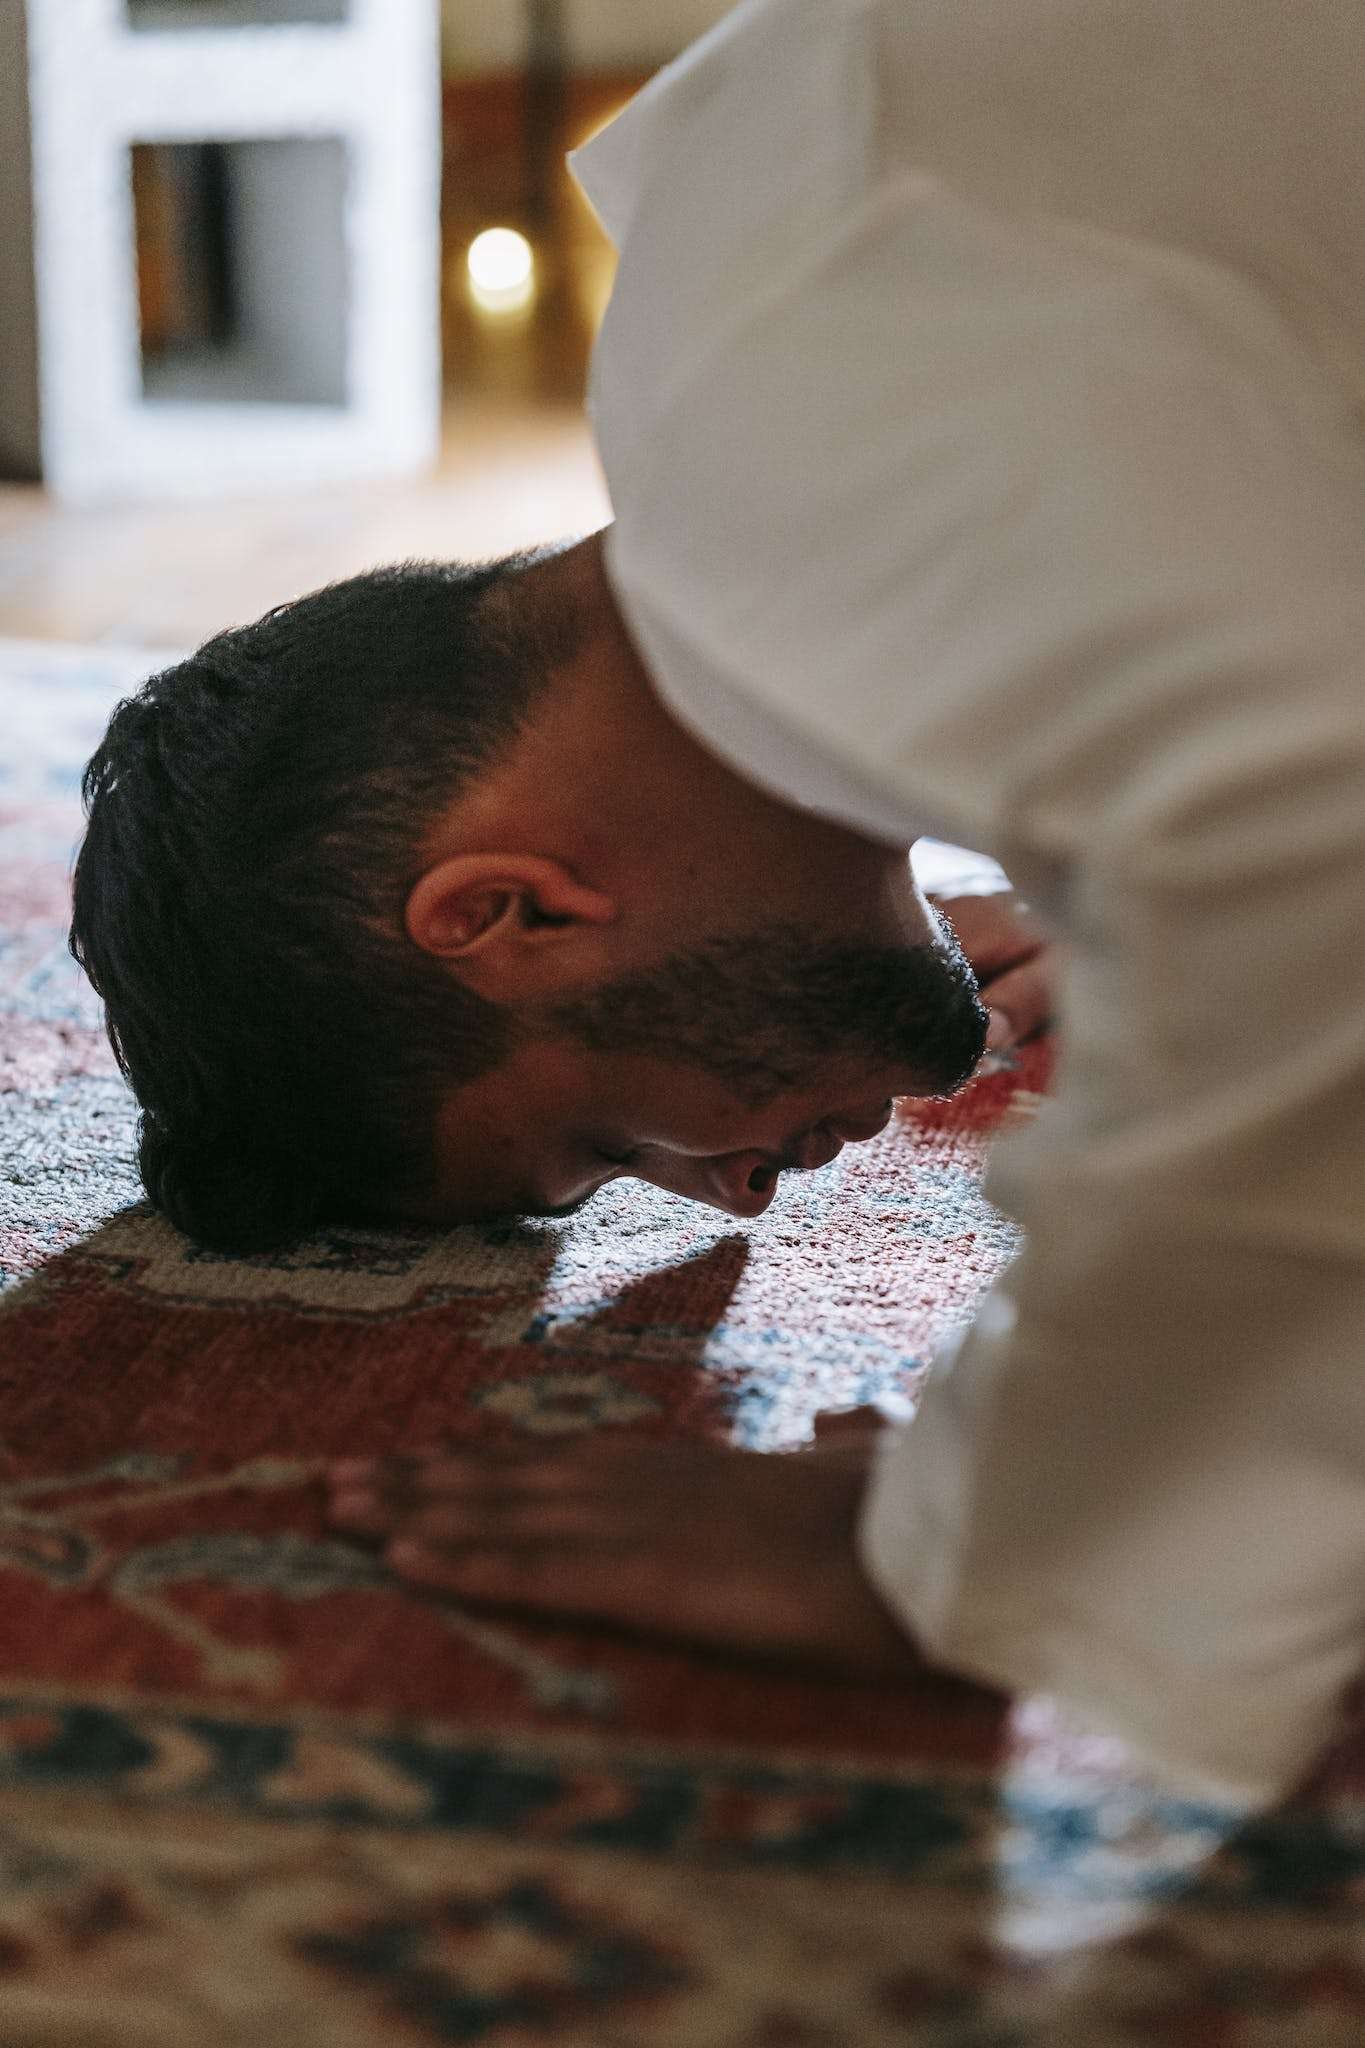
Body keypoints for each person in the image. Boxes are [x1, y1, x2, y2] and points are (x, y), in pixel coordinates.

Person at [74, 0, 1365, 1805]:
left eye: (607, 1145)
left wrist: (977, 1538)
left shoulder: (875, 439)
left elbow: (1314, 909)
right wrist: (1140, 844)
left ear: (512, 915)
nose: (743, 1201)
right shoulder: (765, 361)